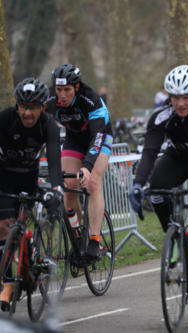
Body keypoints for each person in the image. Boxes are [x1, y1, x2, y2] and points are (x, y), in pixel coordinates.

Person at [128, 65, 188, 316]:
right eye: (175, 98)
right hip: (178, 158)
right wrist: (138, 184)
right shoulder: (162, 115)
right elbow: (149, 152)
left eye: (186, 98)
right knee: (157, 189)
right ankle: (174, 235)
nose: (180, 104)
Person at [0, 78, 62, 311]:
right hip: (3, 176)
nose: (27, 112)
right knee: (4, 225)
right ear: (17, 106)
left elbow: (55, 162)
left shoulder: (49, 126)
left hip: (28, 177)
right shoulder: (5, 119)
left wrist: (57, 189)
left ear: (42, 108)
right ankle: (7, 284)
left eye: (33, 107)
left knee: (23, 221)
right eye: (23, 106)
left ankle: (35, 252)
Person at [46, 64, 113, 259]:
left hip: (100, 136)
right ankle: (77, 236)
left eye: (67, 90)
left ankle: (94, 240)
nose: (62, 95)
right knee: (68, 186)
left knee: (92, 183)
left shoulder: (90, 98)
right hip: (74, 138)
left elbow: (98, 136)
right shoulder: (50, 99)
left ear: (76, 87)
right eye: (59, 90)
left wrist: (87, 165)